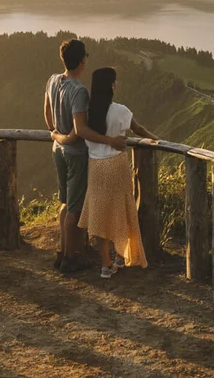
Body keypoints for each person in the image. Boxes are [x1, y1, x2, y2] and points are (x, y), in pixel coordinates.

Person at [52, 67, 158, 278]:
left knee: (101, 215)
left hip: (96, 167)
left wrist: (56, 135)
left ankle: (105, 265)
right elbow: (139, 129)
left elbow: (78, 131)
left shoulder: (88, 112)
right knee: (120, 212)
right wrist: (156, 138)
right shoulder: (121, 111)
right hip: (117, 164)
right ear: (111, 85)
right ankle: (120, 256)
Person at [44, 39, 127, 273]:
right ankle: (71, 258)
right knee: (75, 208)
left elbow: (47, 110)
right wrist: (110, 141)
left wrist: (54, 133)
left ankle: (63, 252)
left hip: (58, 151)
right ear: (82, 61)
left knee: (65, 203)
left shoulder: (53, 81)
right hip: (76, 154)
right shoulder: (79, 90)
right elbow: (80, 129)